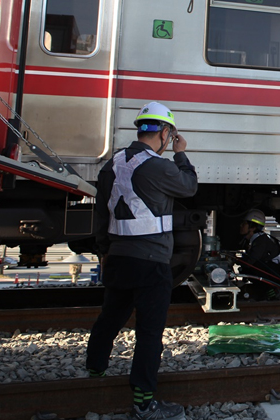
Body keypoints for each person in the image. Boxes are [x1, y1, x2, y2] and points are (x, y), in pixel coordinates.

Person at [86, 102, 198, 420]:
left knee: (109, 320)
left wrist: (104, 250)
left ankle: (94, 375)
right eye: (168, 135)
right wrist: (181, 154)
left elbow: (100, 213)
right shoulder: (158, 166)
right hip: (152, 263)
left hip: (119, 257)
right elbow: (189, 186)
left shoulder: (113, 163)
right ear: (164, 133)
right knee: (149, 333)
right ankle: (144, 402)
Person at [238, 208, 280, 299]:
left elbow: (251, 261)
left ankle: (270, 292)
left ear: (252, 227)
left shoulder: (260, 240)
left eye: (244, 223)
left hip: (278, 273)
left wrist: (236, 260)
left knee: (255, 265)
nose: (241, 225)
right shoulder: (255, 239)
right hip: (275, 270)